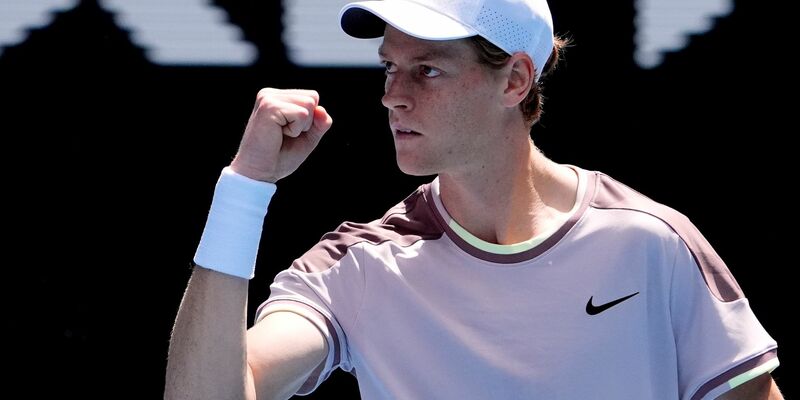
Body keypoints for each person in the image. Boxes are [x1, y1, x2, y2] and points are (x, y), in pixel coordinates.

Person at [164, 0, 783, 398]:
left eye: (426, 70)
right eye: (388, 68)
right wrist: (244, 189)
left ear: (514, 80)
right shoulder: (356, 267)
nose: (393, 96)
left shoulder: (652, 242)